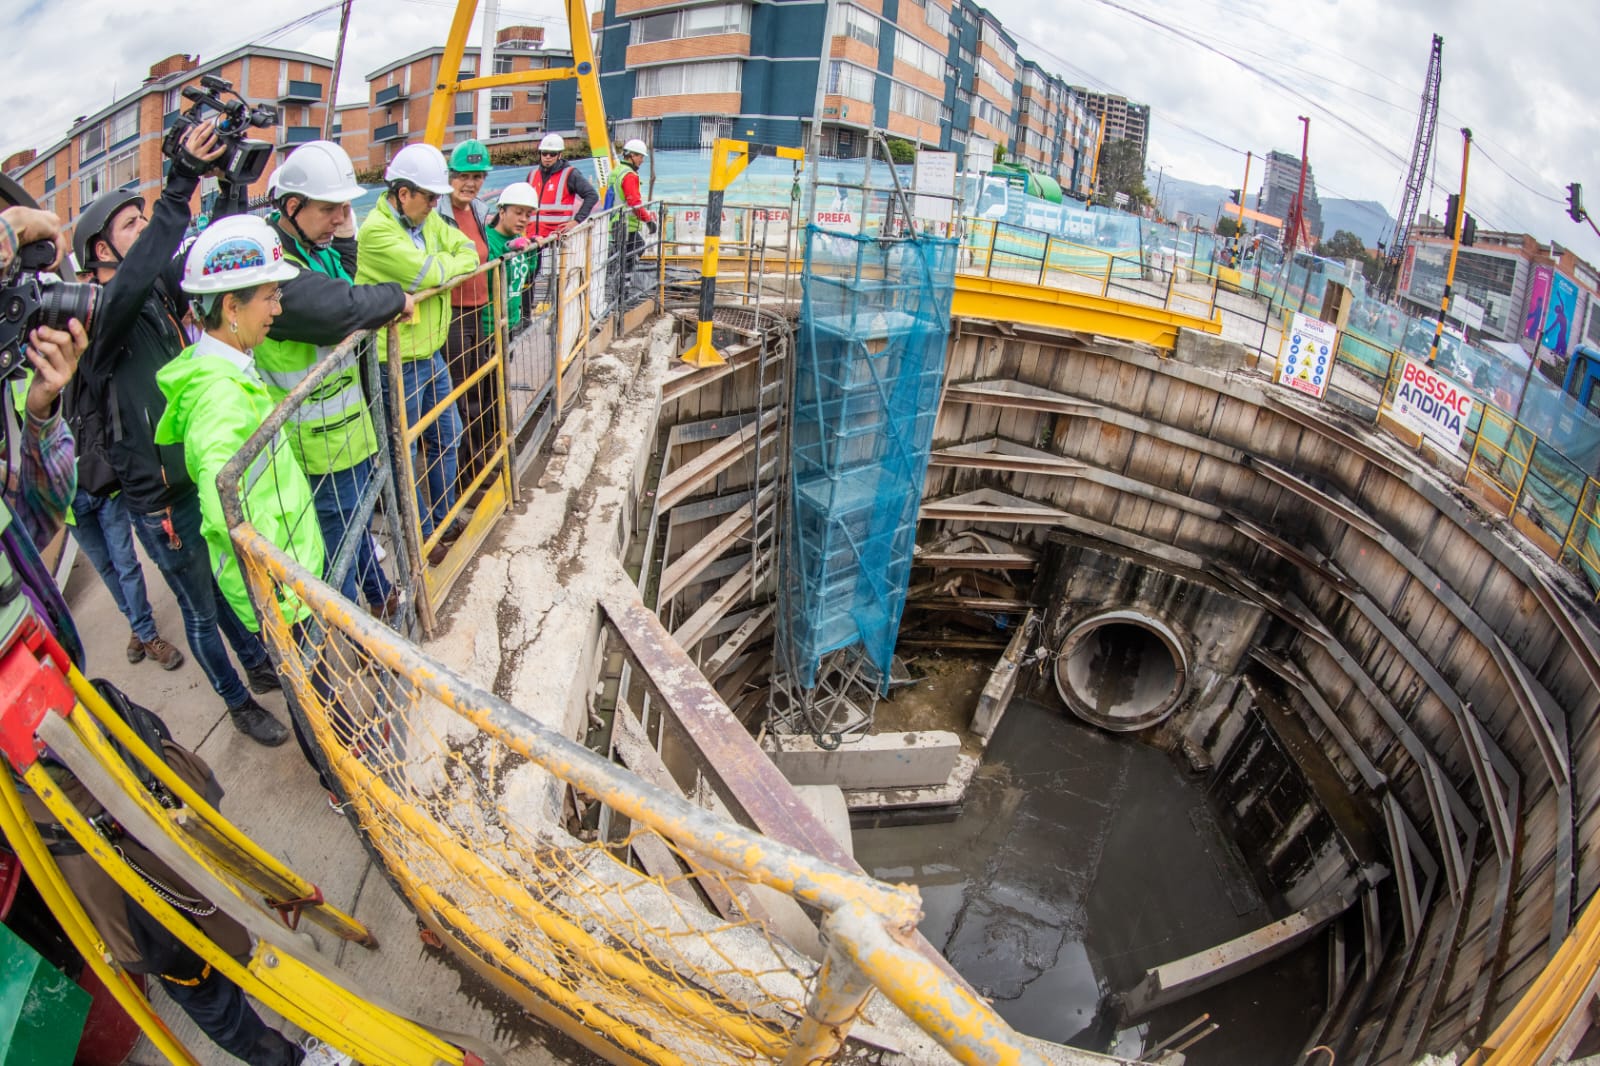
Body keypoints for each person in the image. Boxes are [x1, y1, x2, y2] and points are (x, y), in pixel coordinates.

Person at [71, 120, 288, 746]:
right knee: (199, 605)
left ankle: (255, 664)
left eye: (146, 220)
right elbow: (138, 275)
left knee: (224, 585)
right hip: (159, 496)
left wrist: (228, 191)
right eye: (130, 226)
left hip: (194, 472)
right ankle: (237, 701)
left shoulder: (159, 292)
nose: (146, 233)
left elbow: (210, 261)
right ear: (100, 253)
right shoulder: (100, 315)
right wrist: (176, 188)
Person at [153, 215, 351, 800]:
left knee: (316, 686)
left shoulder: (229, 369)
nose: (277, 307)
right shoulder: (219, 396)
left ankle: (340, 761)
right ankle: (340, 781)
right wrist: (282, 592)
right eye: (269, 296)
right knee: (312, 696)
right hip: (280, 590)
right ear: (230, 307)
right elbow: (225, 514)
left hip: (288, 577)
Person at [254, 140, 411, 621]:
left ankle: (379, 597)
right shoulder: (270, 261)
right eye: (331, 208)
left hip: (347, 426)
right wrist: (395, 297)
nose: (343, 214)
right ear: (292, 206)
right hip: (313, 438)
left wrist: (341, 231)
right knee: (338, 539)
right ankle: (350, 630)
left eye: (347, 205)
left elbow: (343, 275)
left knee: (358, 524)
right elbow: (336, 308)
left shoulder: (308, 245)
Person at [354, 144, 479, 566]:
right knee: (402, 454)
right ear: (403, 193)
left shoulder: (426, 223)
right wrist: (442, 263)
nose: (435, 204)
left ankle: (443, 517)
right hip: (396, 363)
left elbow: (468, 250)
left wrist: (441, 261)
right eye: (429, 197)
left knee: (449, 435)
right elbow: (430, 273)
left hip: (430, 353)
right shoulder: (376, 232)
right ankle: (425, 534)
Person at [437, 140, 494, 506]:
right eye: (463, 176)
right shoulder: (437, 214)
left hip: (478, 311)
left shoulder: (478, 210)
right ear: (450, 177)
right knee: (462, 398)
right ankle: (463, 480)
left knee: (482, 392)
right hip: (453, 316)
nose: (470, 184)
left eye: (476, 177)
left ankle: (478, 469)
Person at [606, 138, 658, 303]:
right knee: (632, 253)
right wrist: (648, 220)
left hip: (615, 221)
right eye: (640, 156)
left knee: (628, 253)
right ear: (631, 156)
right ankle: (622, 292)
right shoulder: (629, 175)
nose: (642, 160)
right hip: (624, 223)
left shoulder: (617, 171)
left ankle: (619, 286)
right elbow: (633, 202)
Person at [484, 182, 537, 336]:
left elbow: (525, 274)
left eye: (528, 215)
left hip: (511, 321)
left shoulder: (518, 237)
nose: (523, 219)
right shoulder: (487, 239)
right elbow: (490, 279)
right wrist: (507, 250)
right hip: (490, 327)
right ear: (502, 211)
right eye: (518, 213)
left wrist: (533, 249)